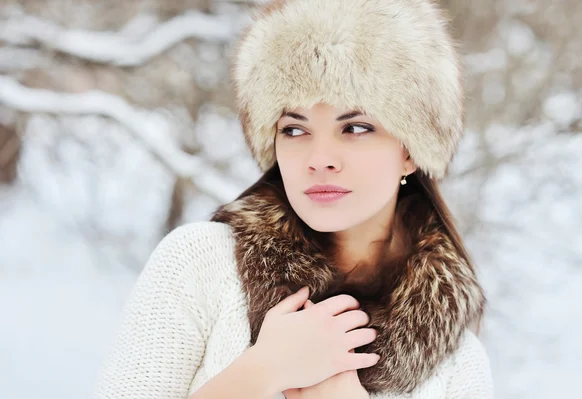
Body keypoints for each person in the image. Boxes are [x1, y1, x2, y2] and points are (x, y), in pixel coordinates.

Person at [93, 0, 493, 398]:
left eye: (354, 128)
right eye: (295, 130)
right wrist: (262, 372)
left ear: (410, 151)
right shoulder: (200, 263)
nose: (319, 161)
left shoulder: (458, 367)